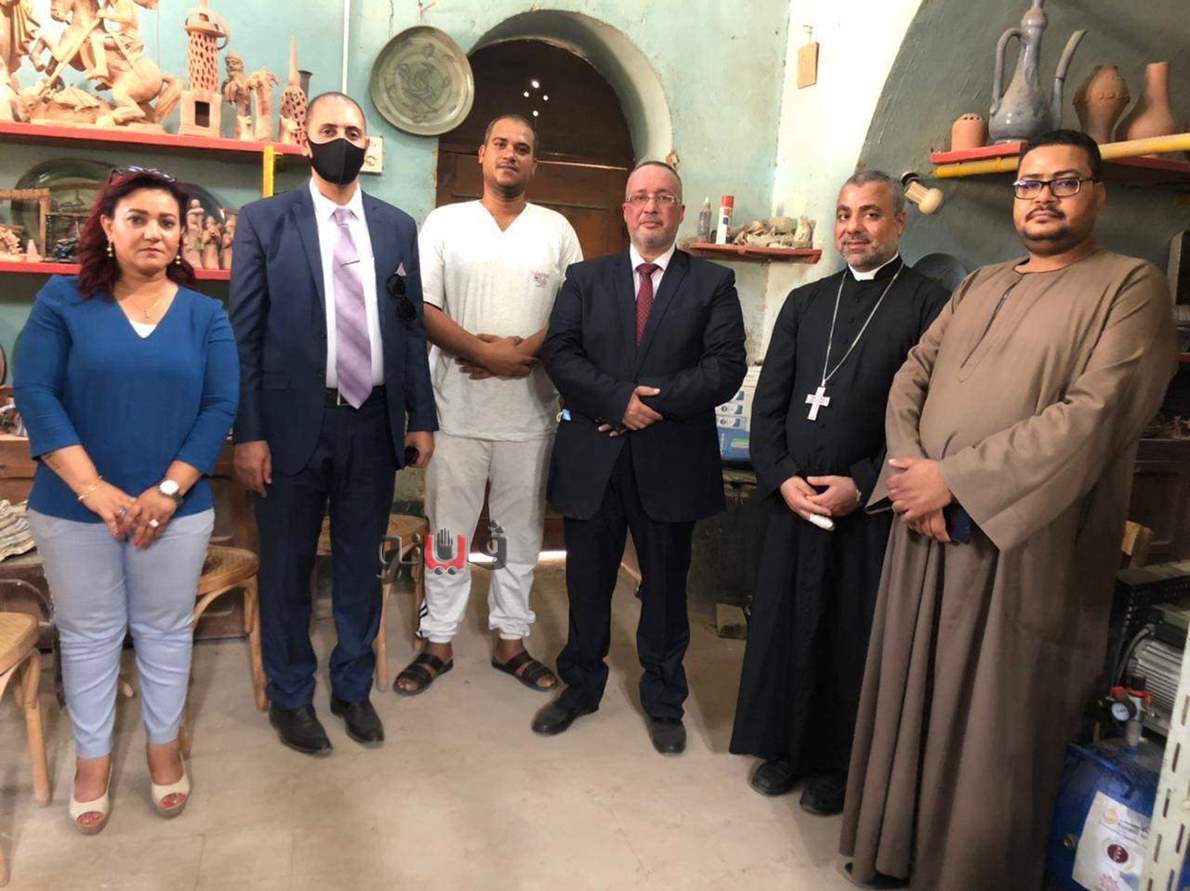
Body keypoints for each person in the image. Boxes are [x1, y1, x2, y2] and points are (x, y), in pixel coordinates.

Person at [840, 130, 1178, 889]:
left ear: (1099, 194)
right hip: (923, 526)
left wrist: (956, 483)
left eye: (1065, 182)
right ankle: (893, 850)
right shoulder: (981, 284)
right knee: (910, 690)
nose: (1043, 197)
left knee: (990, 718)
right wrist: (911, 476)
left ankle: (962, 872)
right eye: (1029, 184)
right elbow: (910, 376)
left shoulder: (1130, 286)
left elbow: (1091, 416)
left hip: (1019, 544)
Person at [15, 168, 239, 833]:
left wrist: (168, 490)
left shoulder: (205, 315)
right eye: (137, 218)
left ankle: (164, 748)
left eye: (167, 222)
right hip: (71, 506)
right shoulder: (62, 301)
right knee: (89, 634)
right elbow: (35, 392)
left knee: (166, 630)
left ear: (182, 236)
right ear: (108, 227)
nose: (153, 232)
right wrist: (93, 487)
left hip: (176, 510)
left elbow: (219, 405)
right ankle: (93, 759)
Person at [730, 171, 948, 814]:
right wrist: (781, 477)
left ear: (900, 223)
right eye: (844, 214)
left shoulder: (930, 303)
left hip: (869, 511)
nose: (854, 227)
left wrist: (866, 483)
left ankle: (837, 765)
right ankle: (784, 748)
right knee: (784, 624)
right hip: (796, 500)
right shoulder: (806, 303)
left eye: (870, 214)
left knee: (851, 637)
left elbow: (932, 416)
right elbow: (769, 405)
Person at [229, 92, 436, 757]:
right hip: (291, 423)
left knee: (357, 563)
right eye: (329, 129)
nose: (341, 139)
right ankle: (291, 695)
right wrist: (249, 432)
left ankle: (351, 687)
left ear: (366, 143)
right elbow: (244, 338)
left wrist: (423, 417)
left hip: (372, 421)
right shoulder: (265, 222)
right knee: (287, 567)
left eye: (353, 130)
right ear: (305, 139)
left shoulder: (397, 227)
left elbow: (410, 329)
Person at [531, 160, 746, 754]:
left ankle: (664, 698)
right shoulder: (584, 279)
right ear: (625, 210)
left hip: (671, 459)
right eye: (641, 197)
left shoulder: (713, 283)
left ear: (680, 211)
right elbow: (560, 352)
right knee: (586, 582)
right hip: (594, 458)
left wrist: (643, 404)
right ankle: (580, 686)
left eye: (664, 197)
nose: (651, 207)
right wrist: (615, 401)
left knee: (667, 589)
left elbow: (725, 366)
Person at [395, 114, 582, 696]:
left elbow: (573, 313)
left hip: (530, 414)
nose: (510, 154)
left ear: (534, 164)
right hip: (455, 411)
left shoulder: (556, 230)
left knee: (519, 536)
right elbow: (422, 308)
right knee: (447, 534)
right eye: (500, 144)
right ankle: (438, 641)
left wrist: (520, 353)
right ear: (481, 154)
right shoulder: (445, 224)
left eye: (522, 148)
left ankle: (511, 641)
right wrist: (484, 352)